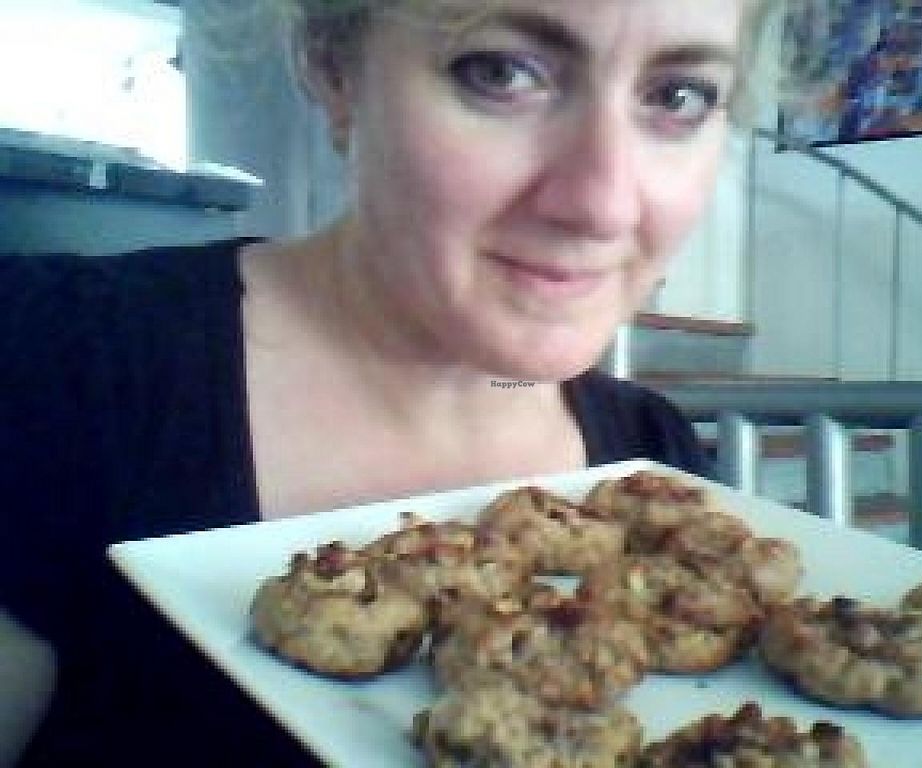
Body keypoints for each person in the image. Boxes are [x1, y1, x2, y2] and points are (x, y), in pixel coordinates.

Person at [0, 0, 772, 763]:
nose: (602, 205)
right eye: (500, 72)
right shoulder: (56, 364)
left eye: (678, 96)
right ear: (335, 65)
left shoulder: (658, 466)